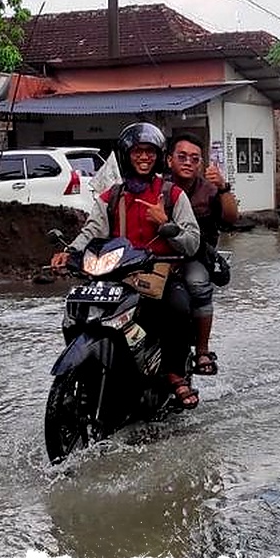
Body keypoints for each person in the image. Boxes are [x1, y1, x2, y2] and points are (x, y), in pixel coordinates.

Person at [50, 122, 203, 409]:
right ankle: (93, 366)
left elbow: (192, 241)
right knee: (81, 312)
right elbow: (92, 231)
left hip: (159, 272)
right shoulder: (112, 196)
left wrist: (166, 225)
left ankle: (174, 373)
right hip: (116, 273)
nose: (143, 157)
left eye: (149, 152)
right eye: (137, 152)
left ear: (158, 156)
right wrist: (68, 253)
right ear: (125, 156)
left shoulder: (171, 194)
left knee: (178, 306)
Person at [166, 133, 238, 378]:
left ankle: (202, 349)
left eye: (194, 159)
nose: (188, 162)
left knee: (198, 285)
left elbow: (231, 218)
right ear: (169, 160)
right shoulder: (157, 186)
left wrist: (223, 187)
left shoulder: (208, 190)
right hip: (157, 254)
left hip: (195, 255)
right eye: (182, 156)